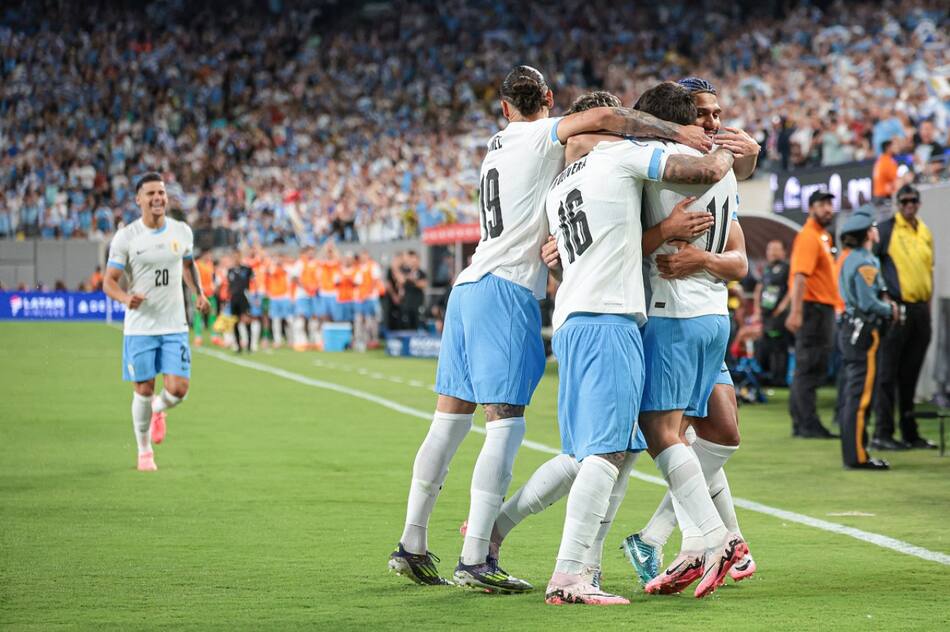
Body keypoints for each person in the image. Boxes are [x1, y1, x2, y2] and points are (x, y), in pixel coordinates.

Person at [388, 66, 713, 591]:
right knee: (507, 424)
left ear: (503, 108)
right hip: (511, 290)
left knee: (448, 422)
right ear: (551, 101)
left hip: (469, 285)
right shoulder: (550, 136)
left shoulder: (497, 145)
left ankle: (413, 540)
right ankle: (477, 555)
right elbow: (603, 121)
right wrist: (678, 133)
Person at [102, 172, 210, 472]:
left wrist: (199, 293)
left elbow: (188, 265)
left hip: (174, 324)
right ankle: (144, 451)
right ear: (139, 200)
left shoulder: (181, 231)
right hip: (140, 327)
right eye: (150, 194)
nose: (158, 198)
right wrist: (126, 299)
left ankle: (159, 411)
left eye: (161, 193)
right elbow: (108, 282)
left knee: (178, 389)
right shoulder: (127, 237)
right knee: (144, 389)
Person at [873, 184, 937, 450]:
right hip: (896, 310)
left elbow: (929, 270)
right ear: (898, 203)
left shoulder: (924, 231)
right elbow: (870, 263)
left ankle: (910, 433)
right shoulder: (886, 229)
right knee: (887, 373)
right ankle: (882, 433)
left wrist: (929, 306)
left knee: (910, 374)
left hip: (921, 310)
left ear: (919, 203)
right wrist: (882, 296)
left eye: (913, 201)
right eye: (905, 201)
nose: (909, 205)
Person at [837, 206, 897, 469]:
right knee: (860, 396)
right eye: (874, 227)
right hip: (863, 332)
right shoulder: (863, 261)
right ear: (868, 233)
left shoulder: (853, 257)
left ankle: (857, 451)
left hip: (851, 329)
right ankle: (858, 456)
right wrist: (891, 310)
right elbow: (867, 302)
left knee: (855, 392)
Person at [786, 190, 839, 439]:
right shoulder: (809, 236)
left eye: (830, 204)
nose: (828, 208)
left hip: (819, 308)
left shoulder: (823, 236)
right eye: (822, 204)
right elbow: (799, 276)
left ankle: (802, 421)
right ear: (811, 208)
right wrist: (796, 312)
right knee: (810, 368)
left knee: (810, 367)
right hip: (813, 308)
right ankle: (808, 423)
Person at [754, 240, 792, 385]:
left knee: (780, 346)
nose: (773, 252)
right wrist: (757, 309)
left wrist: (782, 307)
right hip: (766, 313)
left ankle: (780, 378)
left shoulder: (787, 268)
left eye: (776, 249)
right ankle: (765, 376)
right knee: (765, 345)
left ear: (783, 252)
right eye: (770, 249)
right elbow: (759, 288)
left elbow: (791, 288)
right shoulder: (767, 268)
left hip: (779, 315)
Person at [227, 252, 254, 353]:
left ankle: (249, 345)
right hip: (234, 298)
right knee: (235, 322)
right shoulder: (230, 271)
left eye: (237, 257)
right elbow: (230, 285)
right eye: (234, 257)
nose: (236, 259)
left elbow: (253, 280)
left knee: (247, 321)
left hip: (244, 297)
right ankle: (238, 346)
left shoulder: (247, 269)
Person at [193, 251, 216, 347]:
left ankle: (214, 336)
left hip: (210, 293)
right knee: (198, 315)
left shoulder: (210, 264)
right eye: (208, 254)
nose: (210, 256)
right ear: (204, 254)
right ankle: (198, 336)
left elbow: (212, 278)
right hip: (200, 294)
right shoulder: (197, 264)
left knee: (213, 314)